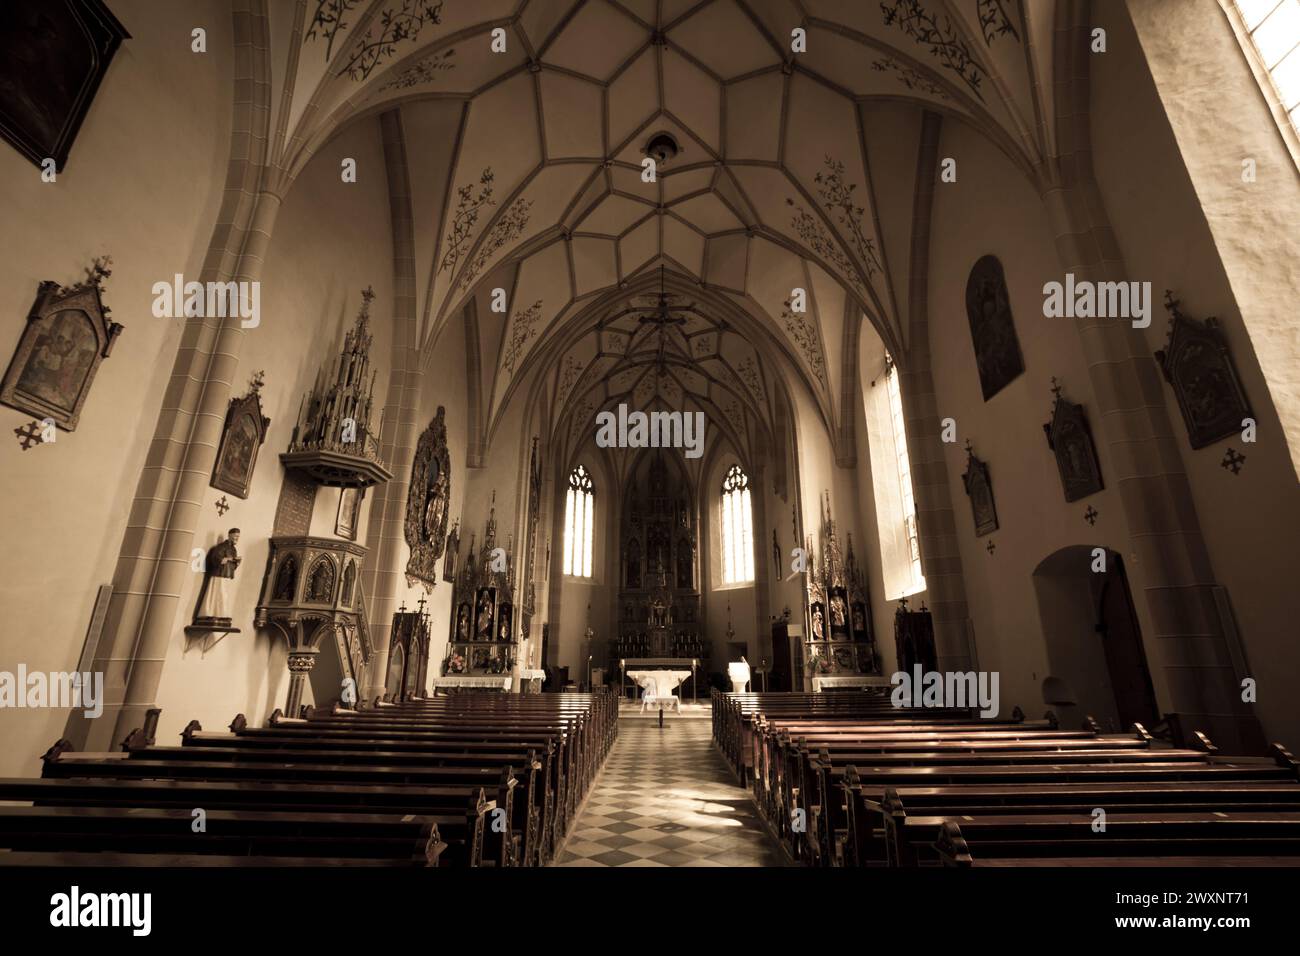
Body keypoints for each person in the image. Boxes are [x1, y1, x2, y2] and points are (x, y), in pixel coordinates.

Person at [196, 529, 241, 626]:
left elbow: (232, 564)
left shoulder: (233, 550)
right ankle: (210, 614)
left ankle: (221, 614)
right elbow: (215, 559)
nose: (237, 538)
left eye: (238, 537)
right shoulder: (221, 547)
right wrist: (227, 559)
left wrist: (236, 562)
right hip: (219, 574)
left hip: (227, 575)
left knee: (224, 596)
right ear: (230, 535)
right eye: (235, 536)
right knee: (216, 594)